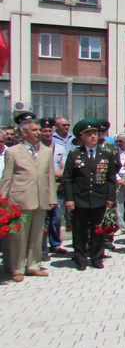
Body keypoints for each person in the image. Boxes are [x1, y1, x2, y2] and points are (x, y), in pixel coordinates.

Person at [0, 118, 57, 281]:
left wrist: (51, 197)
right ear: (24, 132)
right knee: (19, 236)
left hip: (40, 199)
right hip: (19, 200)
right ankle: (17, 268)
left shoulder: (46, 151)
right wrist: (2, 201)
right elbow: (7, 177)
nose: (38, 133)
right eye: (34, 130)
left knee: (37, 234)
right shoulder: (13, 151)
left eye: (39, 130)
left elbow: (49, 176)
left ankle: (33, 265)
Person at [63, 120, 116, 270]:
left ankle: (97, 257)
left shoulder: (106, 154)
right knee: (79, 230)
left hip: (99, 197)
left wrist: (110, 198)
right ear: (82, 137)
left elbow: (111, 179)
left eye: (95, 133)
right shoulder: (75, 154)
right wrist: (69, 199)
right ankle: (80, 258)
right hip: (80, 198)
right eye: (89, 134)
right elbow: (68, 178)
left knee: (98, 230)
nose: (93, 136)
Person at [38, 118, 69, 258]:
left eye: (50, 131)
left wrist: (50, 174)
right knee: (43, 219)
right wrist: (53, 174)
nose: (47, 133)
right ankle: (41, 248)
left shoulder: (60, 148)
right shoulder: (36, 149)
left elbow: (64, 170)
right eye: (44, 131)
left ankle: (55, 244)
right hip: (40, 188)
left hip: (57, 188)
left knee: (56, 217)